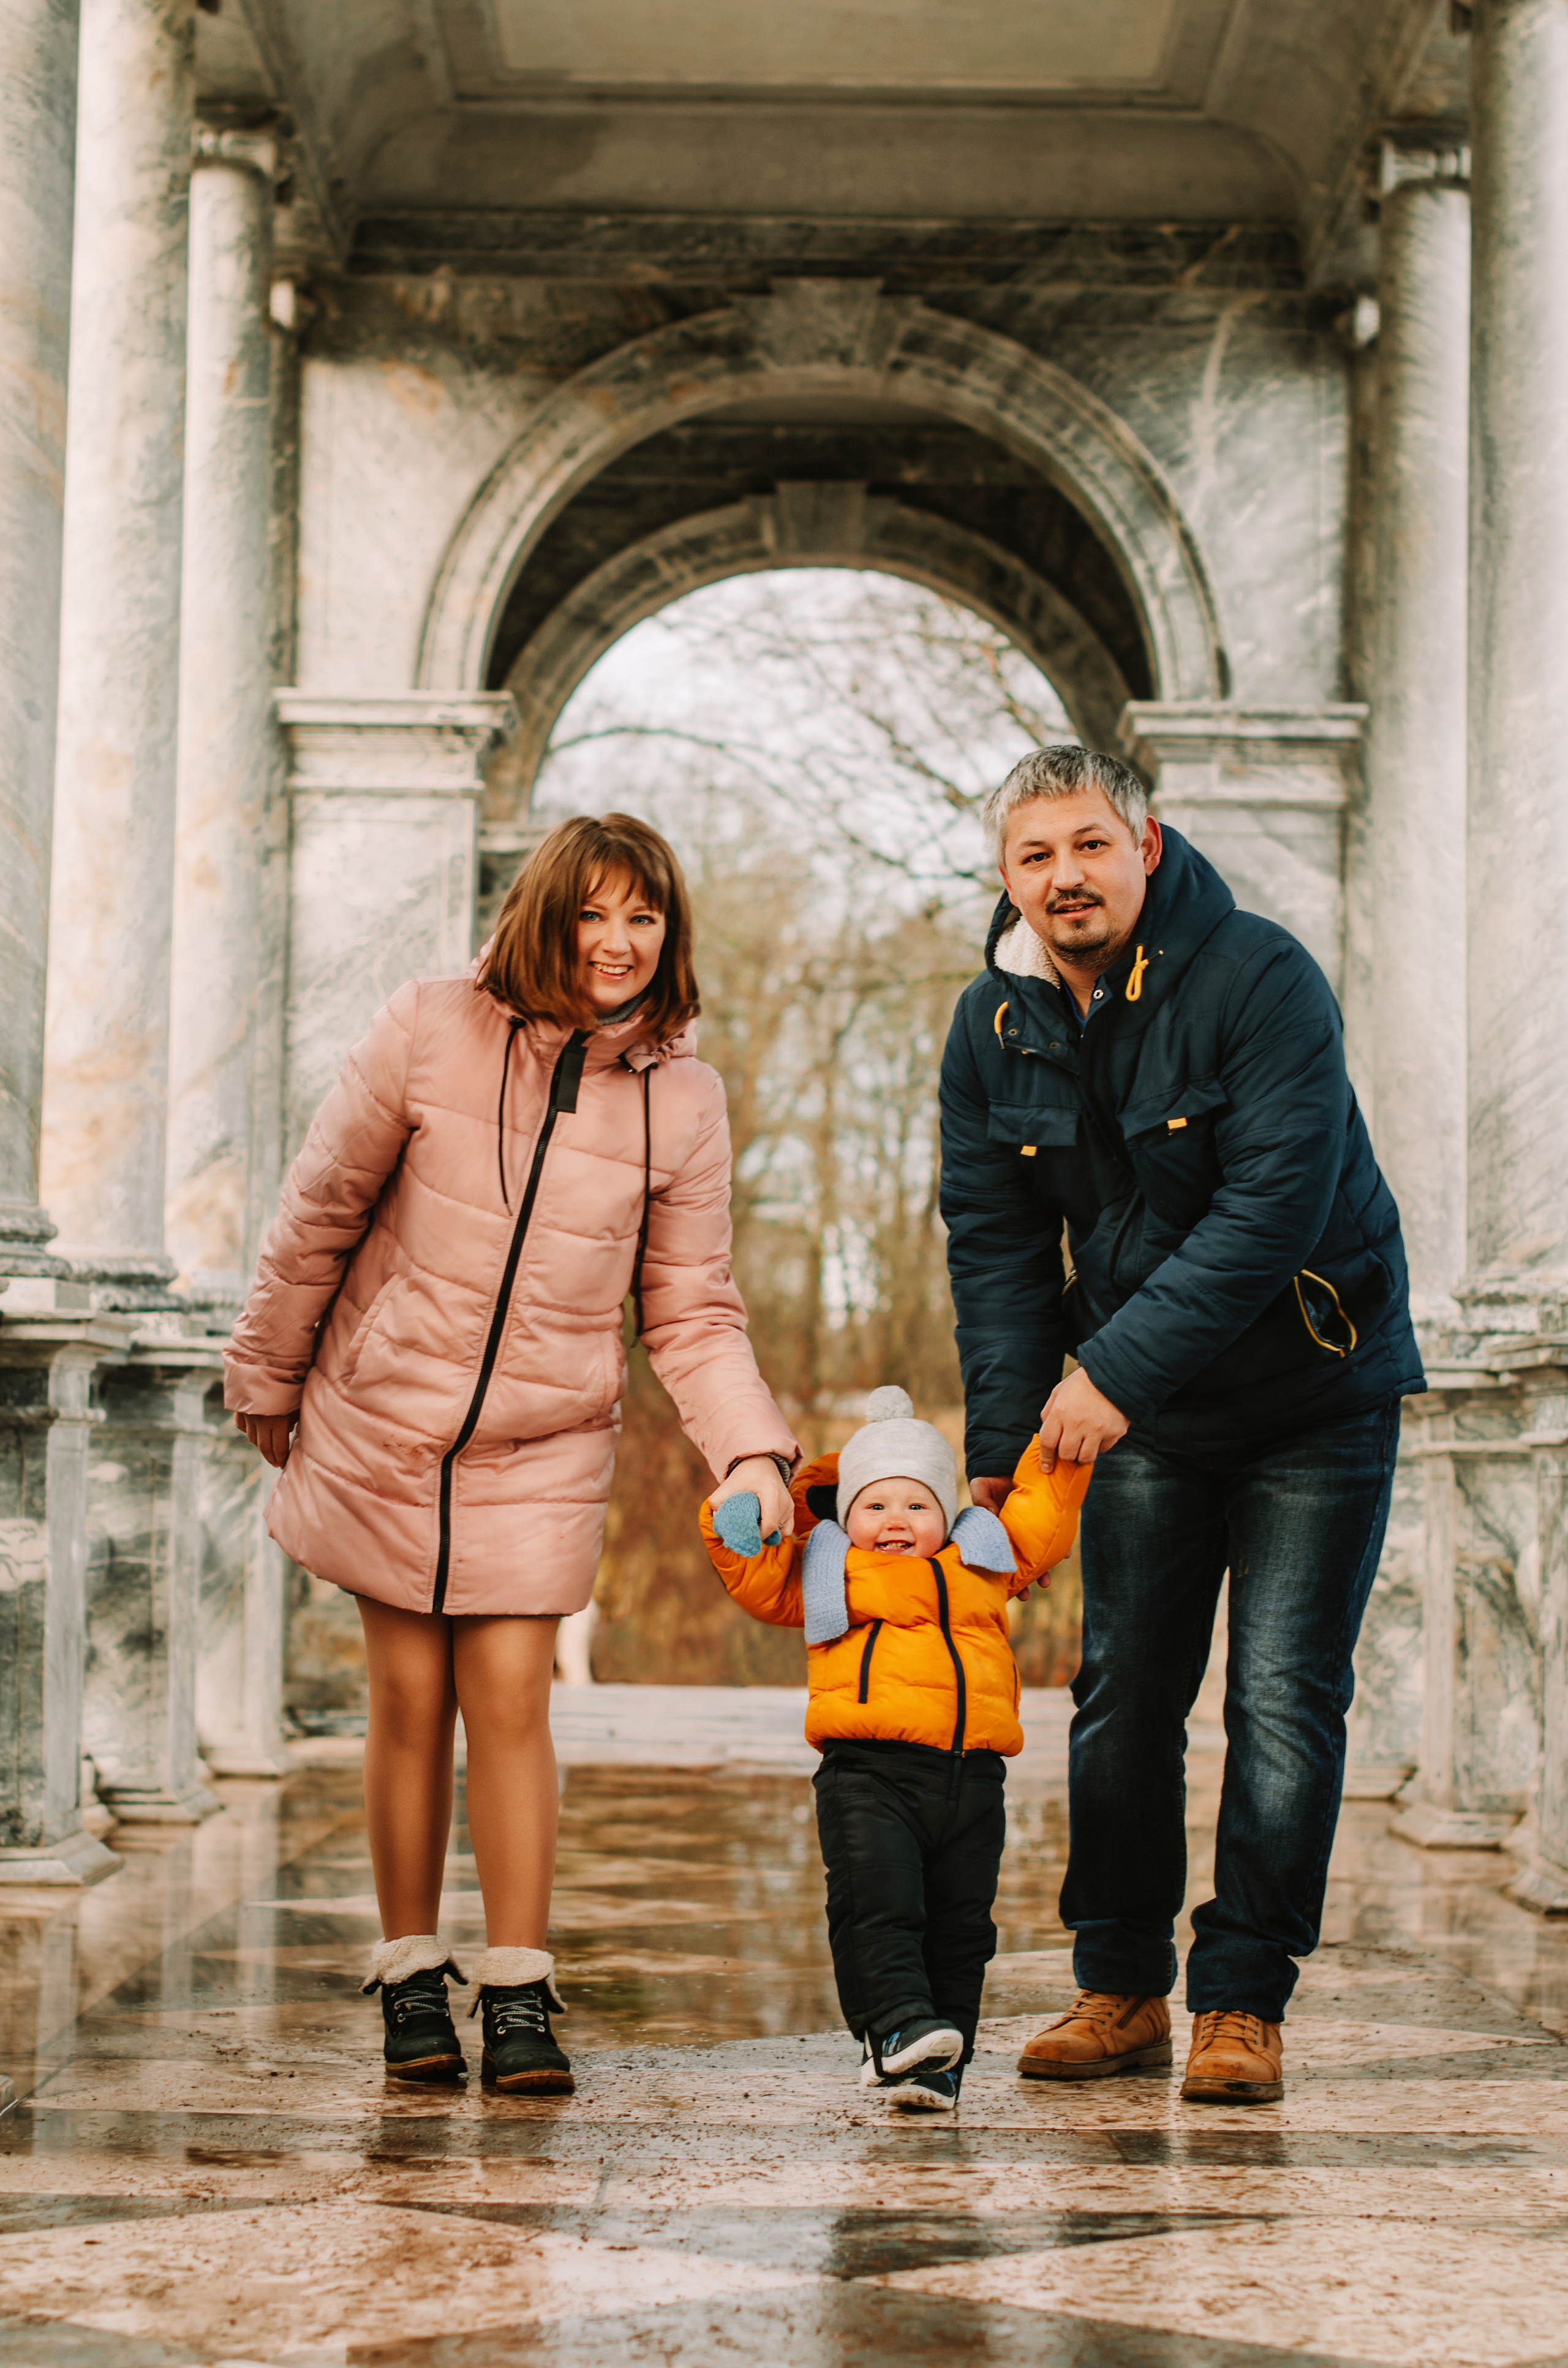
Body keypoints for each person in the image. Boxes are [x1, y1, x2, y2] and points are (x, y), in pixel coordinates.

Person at [225, 814, 798, 2095]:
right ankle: (410, 1976)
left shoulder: (684, 1099)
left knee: (512, 1699)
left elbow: (692, 1307)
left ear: (670, 934)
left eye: (642, 918)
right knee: (409, 1703)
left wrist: (750, 1453)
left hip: (543, 1440)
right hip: (389, 1416)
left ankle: (521, 1986)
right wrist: (267, 1366)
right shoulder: (428, 1026)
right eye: (593, 913)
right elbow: (322, 1208)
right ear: (546, 914)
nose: (617, 941)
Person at [940, 746, 1423, 2106]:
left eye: (1087, 844)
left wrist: (1108, 1378)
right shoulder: (991, 1025)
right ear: (1005, 878)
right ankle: (1118, 1985)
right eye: (1034, 856)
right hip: (1139, 1405)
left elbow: (1270, 1205)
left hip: (1311, 1395)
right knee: (1122, 1693)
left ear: (1144, 845)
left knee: (1279, 1698)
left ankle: (1241, 2003)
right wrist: (998, 1444)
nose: (1063, 876)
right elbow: (992, 1245)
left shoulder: (1257, 975)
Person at [701, 1386, 1088, 2109]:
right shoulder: (829, 1567)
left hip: (972, 1778)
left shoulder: (985, 1559)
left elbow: (1045, 1516)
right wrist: (737, 1518)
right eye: (874, 1506)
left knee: (964, 1926)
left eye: (916, 1505)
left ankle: (939, 2061)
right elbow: (755, 1579)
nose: (895, 1523)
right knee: (878, 1905)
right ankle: (895, 2027)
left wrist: (1058, 1453)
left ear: (949, 1513)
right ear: (848, 1514)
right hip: (866, 1773)